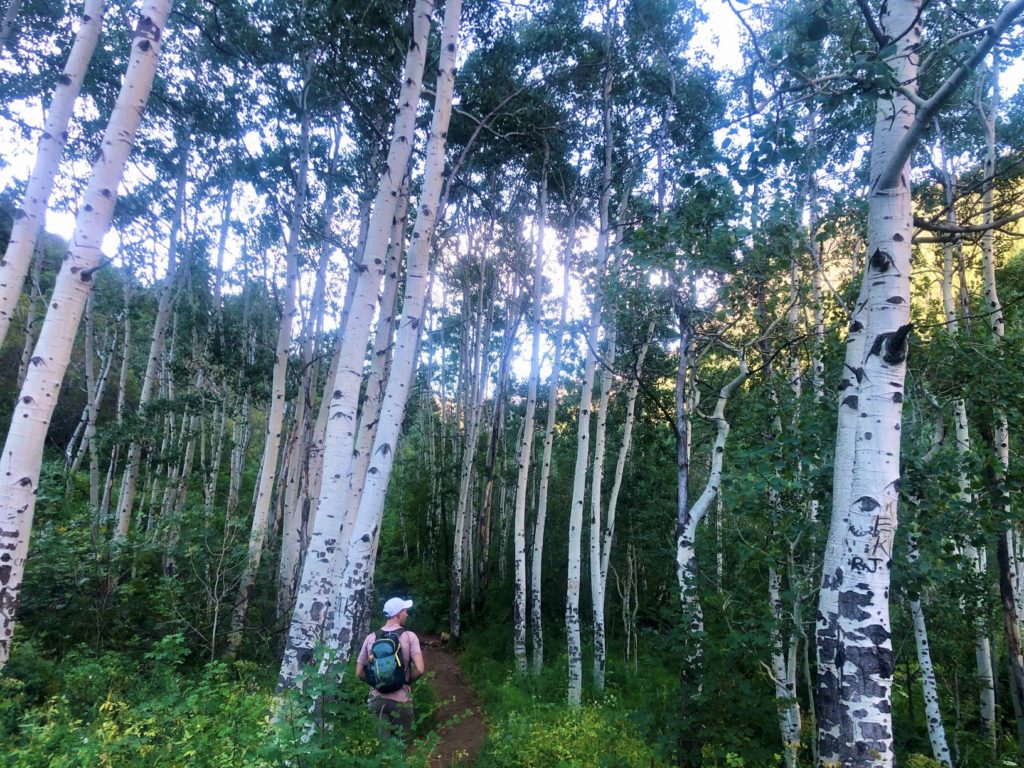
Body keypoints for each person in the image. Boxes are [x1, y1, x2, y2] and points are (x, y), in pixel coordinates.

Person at [355, 596, 425, 741]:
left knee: (382, 749)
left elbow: (359, 672)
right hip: (401, 701)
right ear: (398, 614)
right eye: (405, 611)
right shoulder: (409, 636)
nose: (407, 614)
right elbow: (420, 669)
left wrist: (376, 683)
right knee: (402, 746)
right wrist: (405, 682)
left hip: (376, 700)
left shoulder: (371, 638)